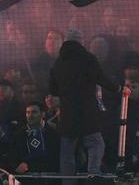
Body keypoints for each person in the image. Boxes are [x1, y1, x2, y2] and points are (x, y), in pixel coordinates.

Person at [49, 28, 126, 181]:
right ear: (81, 41)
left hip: (67, 114)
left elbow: (53, 88)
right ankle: (93, 175)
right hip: (87, 113)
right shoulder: (88, 59)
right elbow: (101, 79)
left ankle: (68, 182)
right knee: (96, 144)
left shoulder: (58, 62)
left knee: (67, 153)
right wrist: (119, 89)